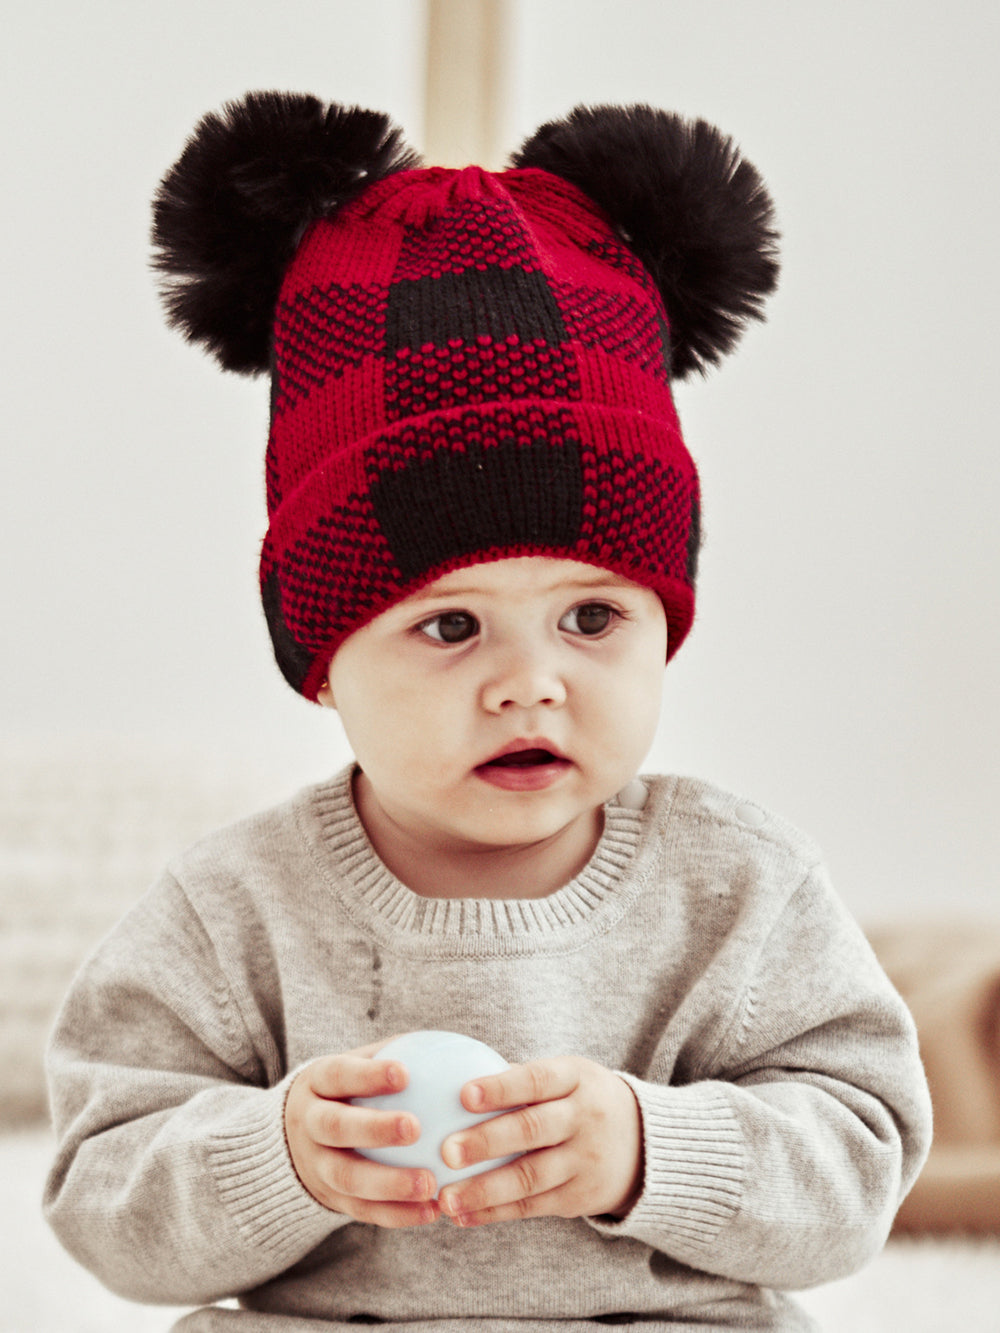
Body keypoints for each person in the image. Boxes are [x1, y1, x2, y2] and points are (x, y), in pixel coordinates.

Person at [43, 92, 932, 1332]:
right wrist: (279, 1157)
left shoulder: (740, 888)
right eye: (449, 626)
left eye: (592, 618)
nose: (531, 682)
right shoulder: (234, 908)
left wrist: (645, 1147)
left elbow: (859, 1165)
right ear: (322, 652)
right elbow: (103, 1192)